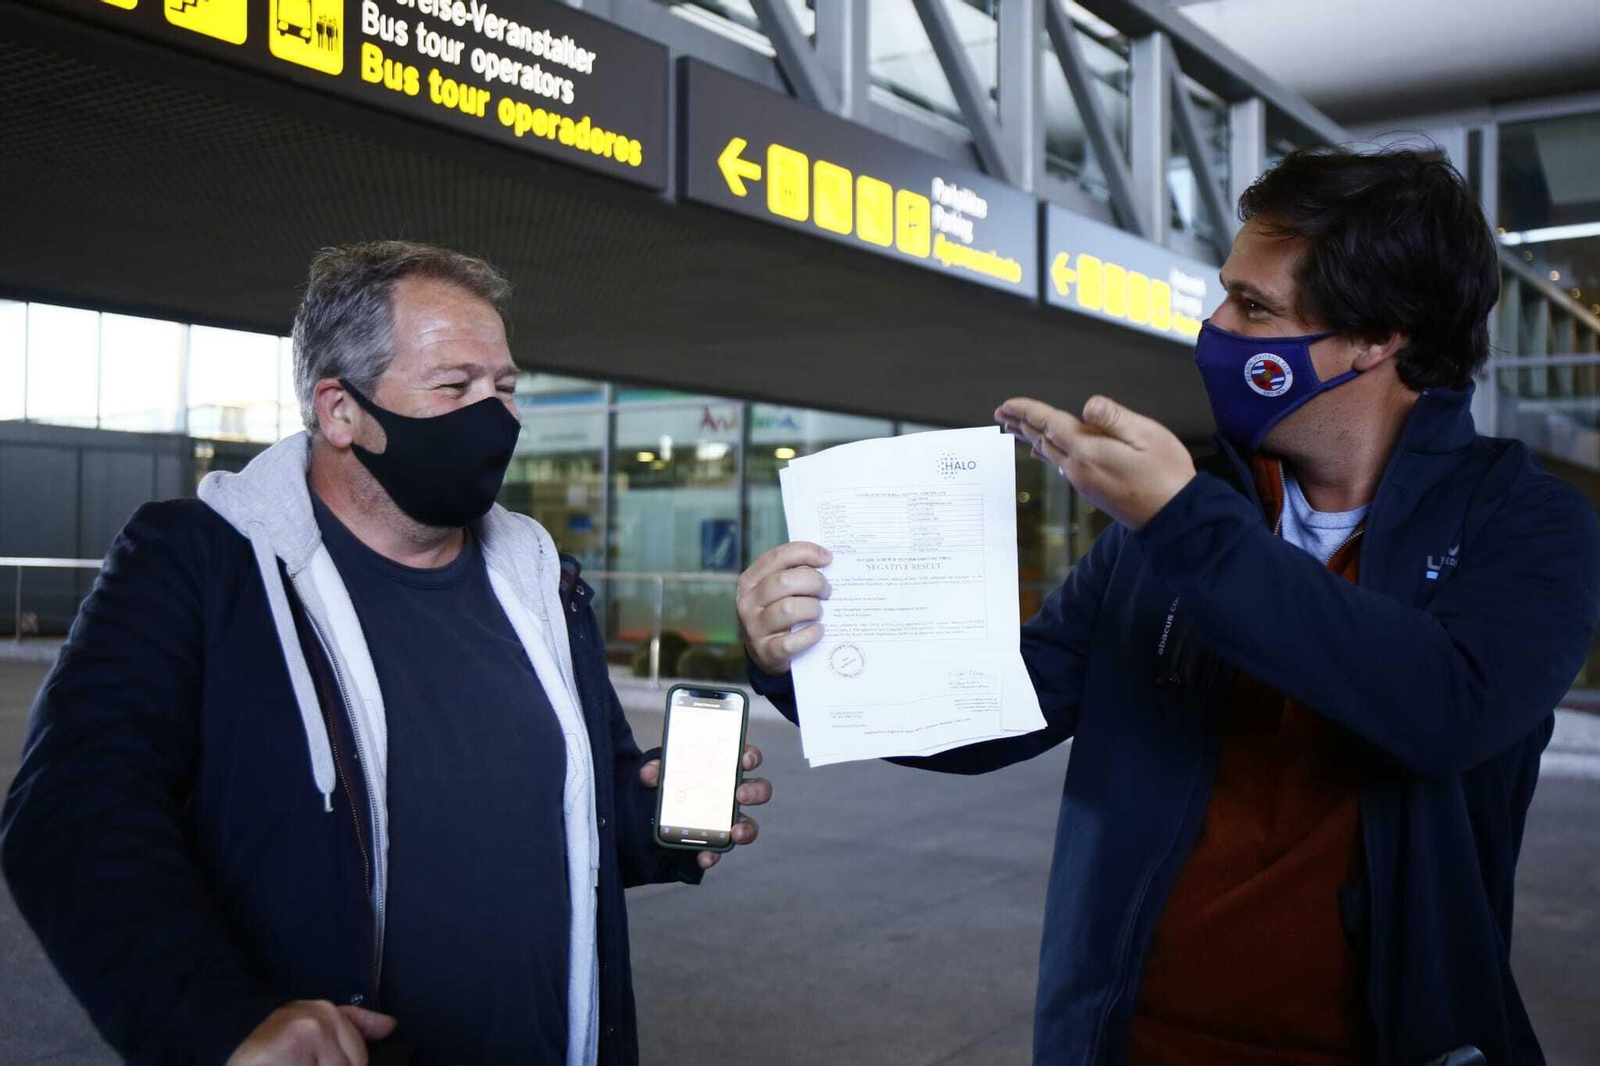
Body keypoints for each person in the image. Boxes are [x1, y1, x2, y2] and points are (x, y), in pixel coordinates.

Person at [738, 148, 1600, 1065]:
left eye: (1255, 307)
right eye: (1226, 292)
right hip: (1129, 1041)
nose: (1216, 325)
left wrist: (1182, 524)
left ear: (1378, 336)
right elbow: (999, 708)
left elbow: (1446, 711)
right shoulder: (1190, 517)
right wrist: (803, 659)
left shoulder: (1525, 522)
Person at [1, 241, 772, 1066]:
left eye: (505, 387)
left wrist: (652, 818)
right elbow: (72, 815)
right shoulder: (199, 564)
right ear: (340, 410)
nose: (498, 414)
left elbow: (581, 804)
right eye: (457, 386)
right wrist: (218, 1021)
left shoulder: (539, 578)